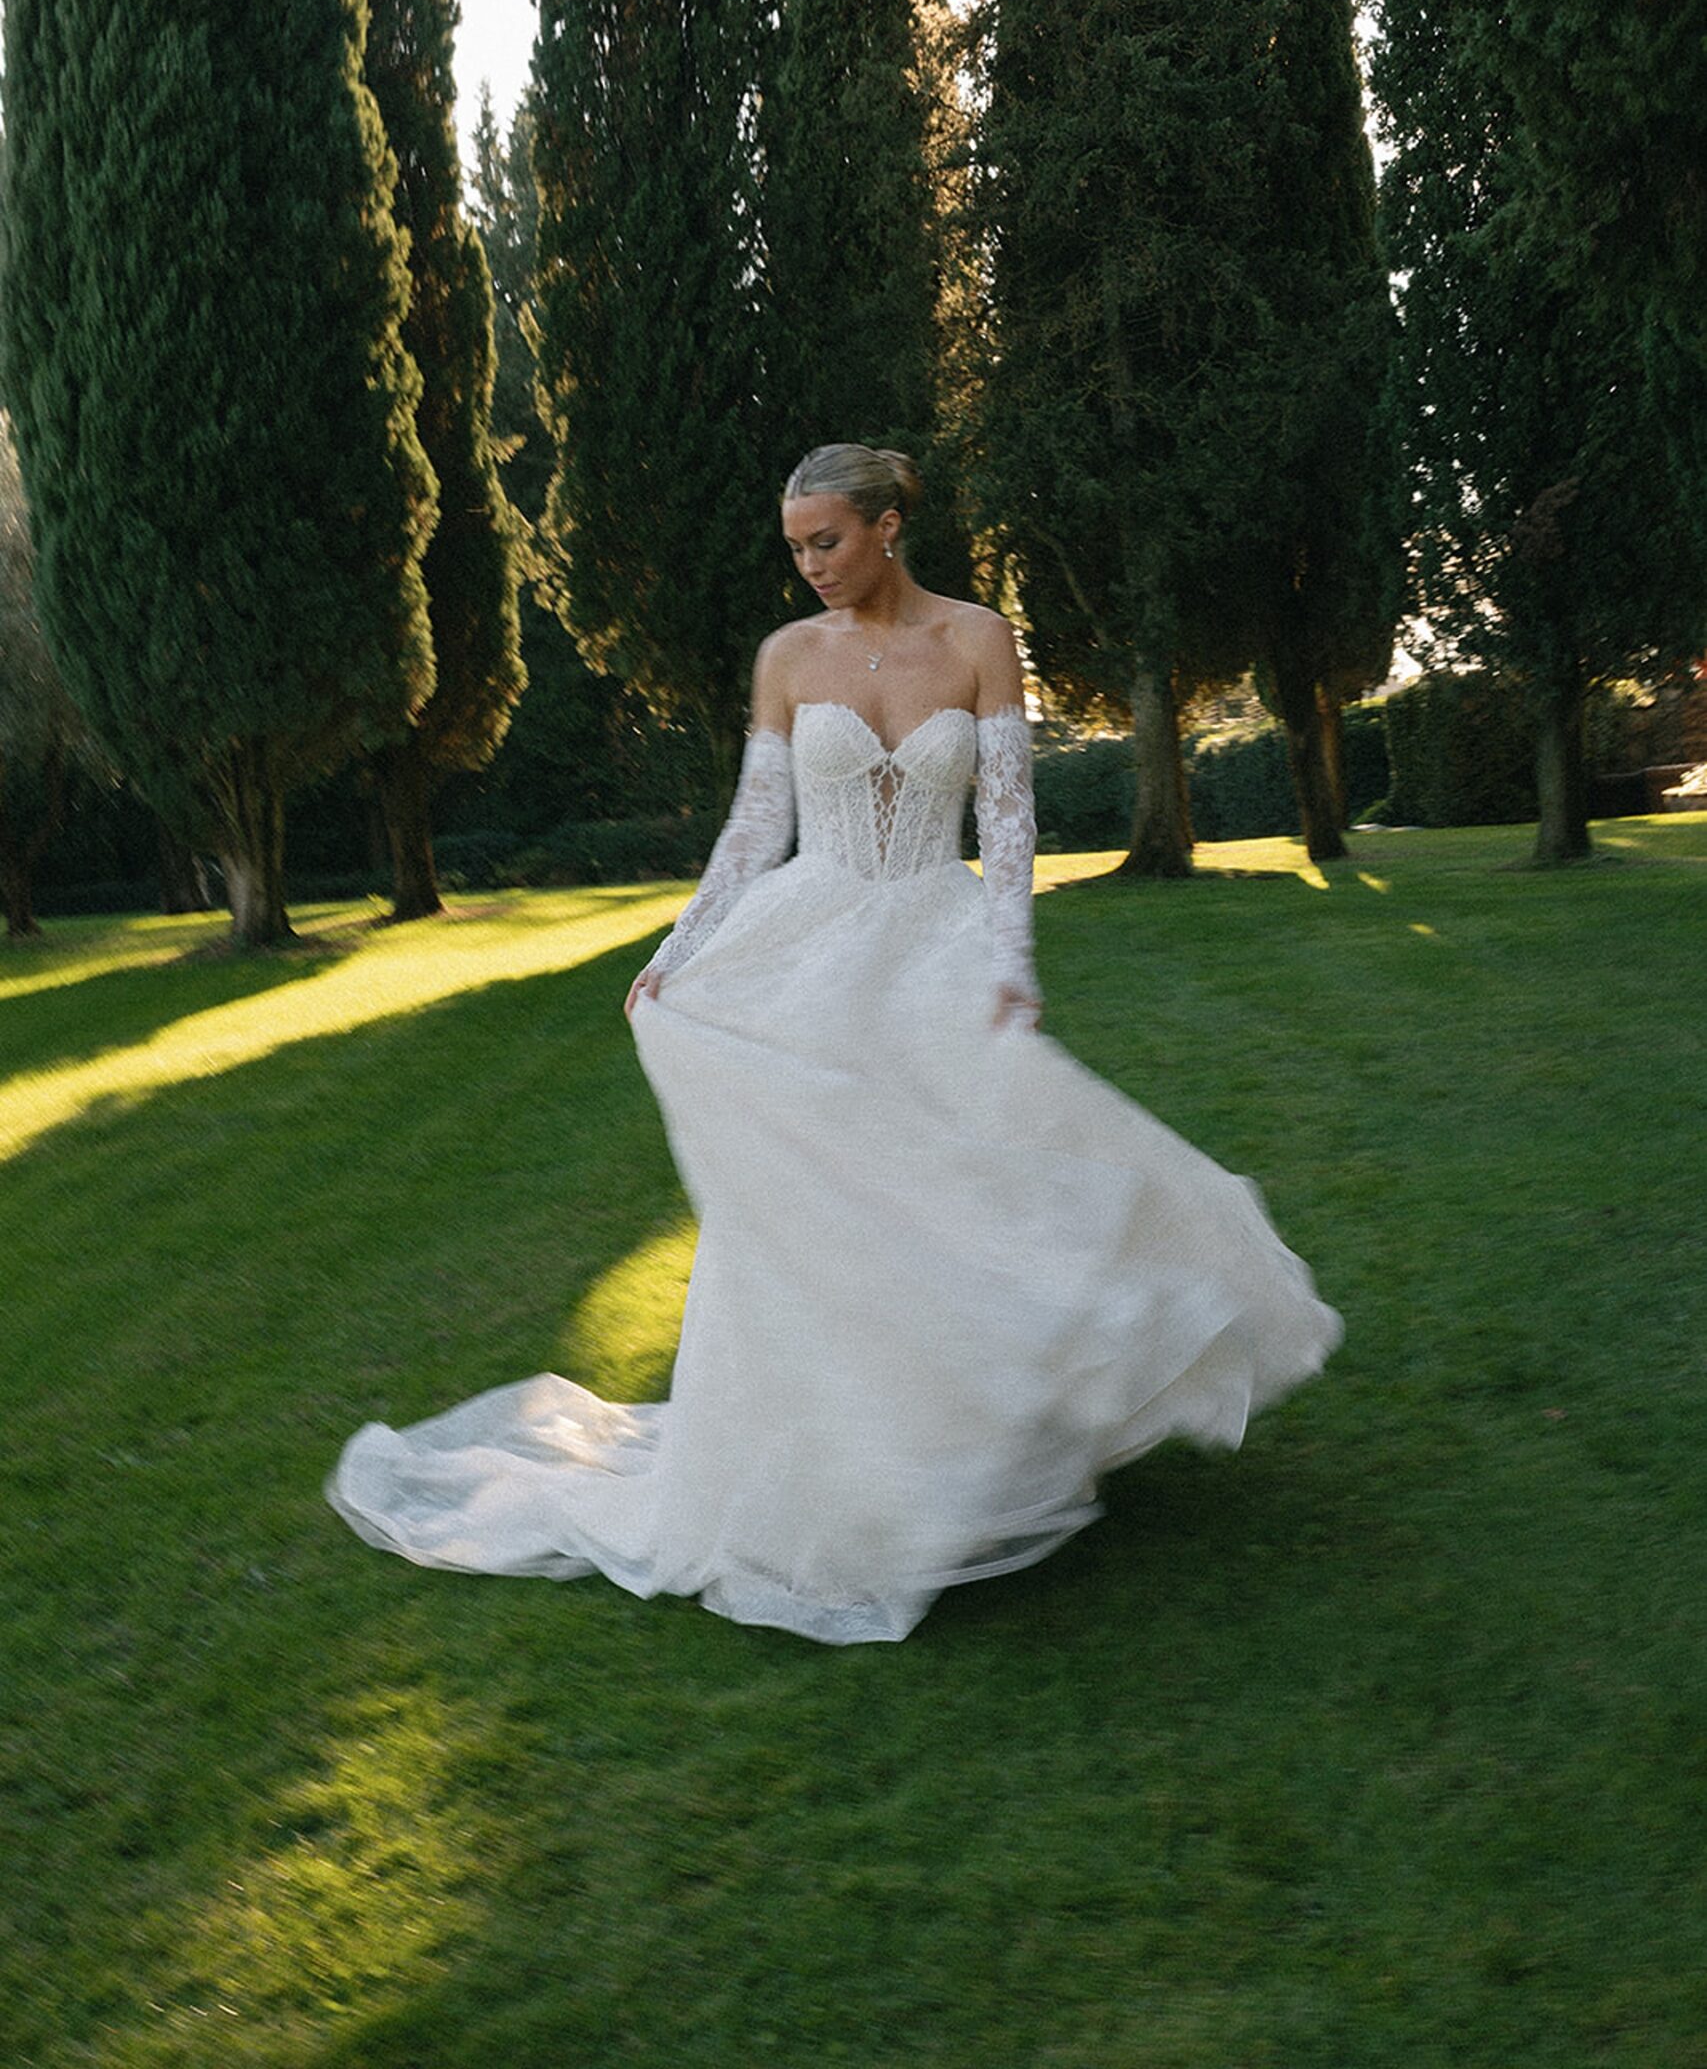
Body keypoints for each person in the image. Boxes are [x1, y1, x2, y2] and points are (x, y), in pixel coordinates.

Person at [329, 444, 1341, 1644]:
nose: (810, 566)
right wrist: (679, 949)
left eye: (829, 541)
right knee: (819, 1209)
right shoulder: (785, 658)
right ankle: (839, 1463)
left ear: (890, 524)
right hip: (806, 942)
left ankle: (963, 1440)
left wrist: (1012, 960)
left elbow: (1009, 816)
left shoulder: (976, 638)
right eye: (797, 546)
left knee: (962, 1184)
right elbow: (757, 824)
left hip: (932, 934)